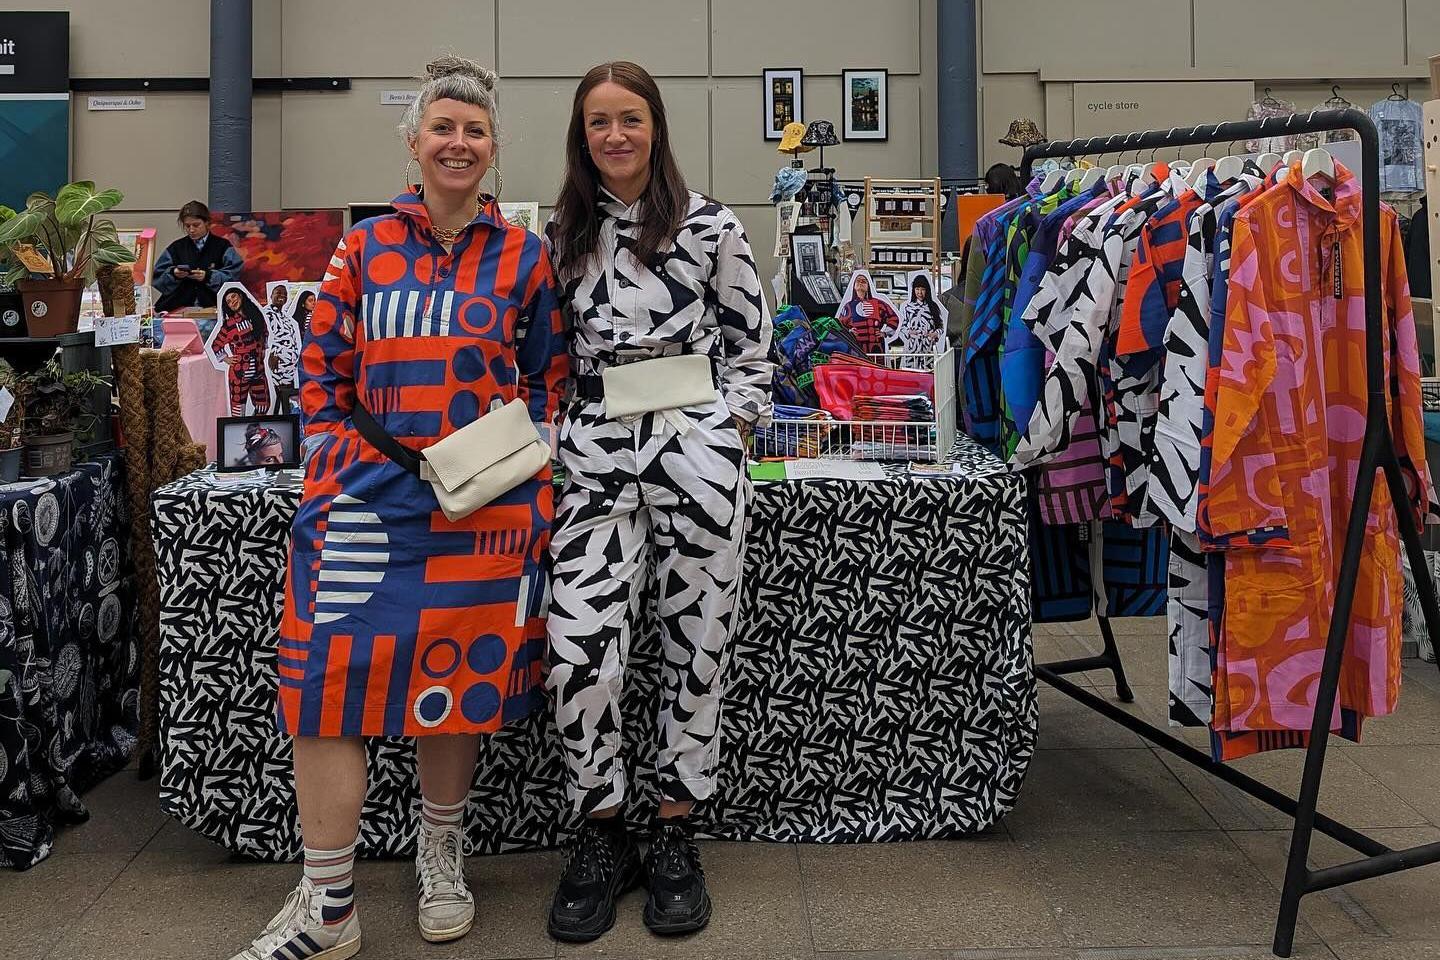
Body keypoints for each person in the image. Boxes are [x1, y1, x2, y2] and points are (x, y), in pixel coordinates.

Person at [228, 55, 567, 960]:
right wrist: (335, 473)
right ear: (414, 141)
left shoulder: (527, 258)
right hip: (363, 500)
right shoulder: (362, 245)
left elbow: (548, 380)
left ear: (494, 150)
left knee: (452, 689)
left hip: (482, 511)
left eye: (475, 130)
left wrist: (526, 486)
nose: (458, 143)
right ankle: (329, 904)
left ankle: (441, 852)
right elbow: (320, 373)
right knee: (323, 695)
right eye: (443, 127)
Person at [544, 61, 773, 943]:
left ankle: (675, 830)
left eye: (629, 119)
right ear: (582, 134)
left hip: (694, 449)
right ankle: (602, 832)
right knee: (577, 652)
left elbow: (754, 350)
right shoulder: (561, 233)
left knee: (697, 643)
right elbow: (550, 356)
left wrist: (730, 431)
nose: (615, 137)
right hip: (595, 454)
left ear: (655, 126)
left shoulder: (712, 225)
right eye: (598, 122)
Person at [152, 200, 244, 312]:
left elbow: (234, 276)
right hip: (178, 307)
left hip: (215, 307)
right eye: (187, 226)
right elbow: (156, 277)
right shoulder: (176, 247)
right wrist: (174, 274)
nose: (191, 230)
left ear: (207, 223)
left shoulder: (223, 246)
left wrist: (208, 276)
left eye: (196, 225)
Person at [212, 287, 271, 415]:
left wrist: (262, 352)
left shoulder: (257, 316)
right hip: (239, 374)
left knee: (263, 406)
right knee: (238, 411)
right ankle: (239, 433)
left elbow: (265, 334)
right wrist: (226, 359)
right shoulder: (229, 324)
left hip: (259, 372)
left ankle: (256, 430)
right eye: (228, 301)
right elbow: (216, 345)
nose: (232, 302)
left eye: (233, 297)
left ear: (240, 295)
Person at [836, 271, 899, 354]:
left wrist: (885, 333)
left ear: (868, 286)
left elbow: (893, 318)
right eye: (858, 281)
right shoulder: (848, 307)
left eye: (864, 281)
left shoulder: (878, 304)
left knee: (877, 366)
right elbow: (839, 325)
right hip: (856, 347)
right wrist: (849, 332)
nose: (860, 283)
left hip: (876, 348)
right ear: (854, 286)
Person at [263, 284, 302, 412]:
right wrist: (271, 353)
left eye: (284, 294)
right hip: (276, 365)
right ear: (271, 296)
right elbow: (262, 336)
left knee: (285, 400)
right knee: (275, 399)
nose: (282, 296)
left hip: (290, 367)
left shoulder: (287, 318)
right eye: (278, 293)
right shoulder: (265, 314)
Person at [892, 273, 944, 354]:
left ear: (927, 290)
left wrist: (935, 334)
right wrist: (909, 332)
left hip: (929, 349)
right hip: (912, 349)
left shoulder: (933, 307)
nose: (920, 292)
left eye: (923, 289)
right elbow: (901, 327)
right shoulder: (907, 307)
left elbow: (941, 327)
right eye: (917, 289)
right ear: (913, 290)